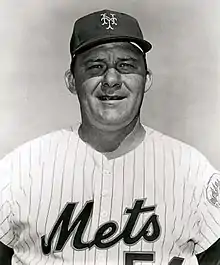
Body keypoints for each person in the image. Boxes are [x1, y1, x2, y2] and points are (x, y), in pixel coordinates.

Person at [0, 9, 220, 265]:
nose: (111, 79)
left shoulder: (192, 171)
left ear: (146, 79)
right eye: (96, 66)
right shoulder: (18, 171)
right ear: (72, 80)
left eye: (126, 65)